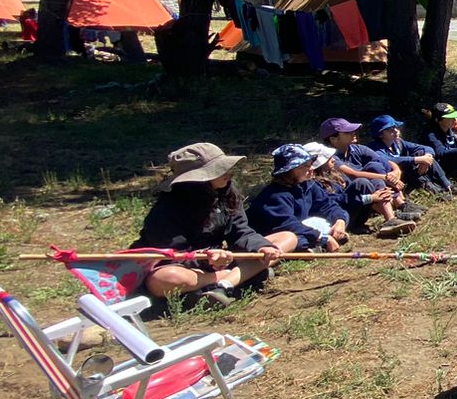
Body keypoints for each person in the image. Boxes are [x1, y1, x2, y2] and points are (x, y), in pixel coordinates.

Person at [135, 143, 294, 306]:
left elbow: (241, 231)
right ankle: (234, 277)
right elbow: (173, 256)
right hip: (187, 267)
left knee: (286, 238)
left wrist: (261, 247)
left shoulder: (227, 192)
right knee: (166, 279)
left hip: (221, 259)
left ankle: (224, 285)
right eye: (220, 170)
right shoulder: (165, 210)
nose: (229, 173)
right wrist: (207, 258)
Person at [319, 118, 424, 229]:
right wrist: (386, 177)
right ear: (333, 139)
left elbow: (385, 160)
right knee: (365, 179)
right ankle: (395, 211)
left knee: (375, 165)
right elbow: (353, 174)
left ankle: (399, 207)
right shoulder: (329, 158)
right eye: (347, 132)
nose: (353, 133)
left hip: (370, 193)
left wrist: (396, 171)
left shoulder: (356, 149)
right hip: (354, 198)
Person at [248, 144, 354, 251]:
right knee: (297, 240)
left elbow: (328, 205)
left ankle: (320, 244)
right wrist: (322, 237)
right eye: (305, 166)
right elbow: (287, 225)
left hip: (301, 225)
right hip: (274, 234)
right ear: (290, 171)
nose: (312, 168)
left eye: (310, 164)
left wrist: (340, 221)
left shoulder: (307, 185)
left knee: (339, 217)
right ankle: (316, 246)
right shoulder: (275, 196)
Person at [372, 114, 454, 197]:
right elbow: (388, 160)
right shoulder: (375, 148)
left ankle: (447, 185)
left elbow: (427, 148)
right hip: (394, 177)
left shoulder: (398, 142)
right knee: (413, 166)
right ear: (380, 134)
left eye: (396, 127)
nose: (396, 131)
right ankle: (437, 193)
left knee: (423, 153)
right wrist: (417, 159)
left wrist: (426, 158)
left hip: (407, 173)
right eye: (390, 129)